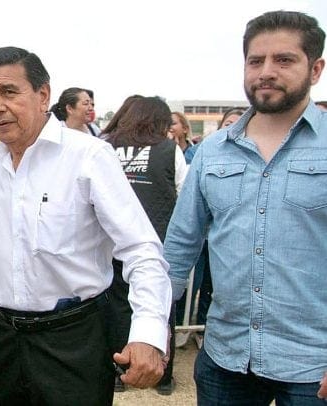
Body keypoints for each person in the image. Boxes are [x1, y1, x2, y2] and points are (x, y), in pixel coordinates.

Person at [0, 46, 171, 405]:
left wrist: (148, 332)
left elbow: (141, 248)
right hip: (6, 339)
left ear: (43, 95)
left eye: (9, 91)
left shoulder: (88, 156)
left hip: (74, 339)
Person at [164, 10, 327, 404]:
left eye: (284, 60)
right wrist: (153, 329)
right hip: (226, 358)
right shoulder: (213, 151)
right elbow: (180, 246)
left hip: (312, 366)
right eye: (256, 61)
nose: (266, 72)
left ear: (315, 69)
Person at [104, 96, 188, 396]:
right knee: (159, 304)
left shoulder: (106, 147)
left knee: (115, 306)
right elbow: (185, 193)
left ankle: (117, 370)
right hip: (157, 241)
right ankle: (162, 376)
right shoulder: (169, 149)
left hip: (111, 241)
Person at [175, 105, 247, 351]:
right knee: (195, 285)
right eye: (228, 123)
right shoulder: (206, 152)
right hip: (203, 239)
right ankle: (183, 326)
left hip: (230, 244)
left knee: (211, 286)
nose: (233, 128)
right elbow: (185, 224)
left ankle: (203, 328)